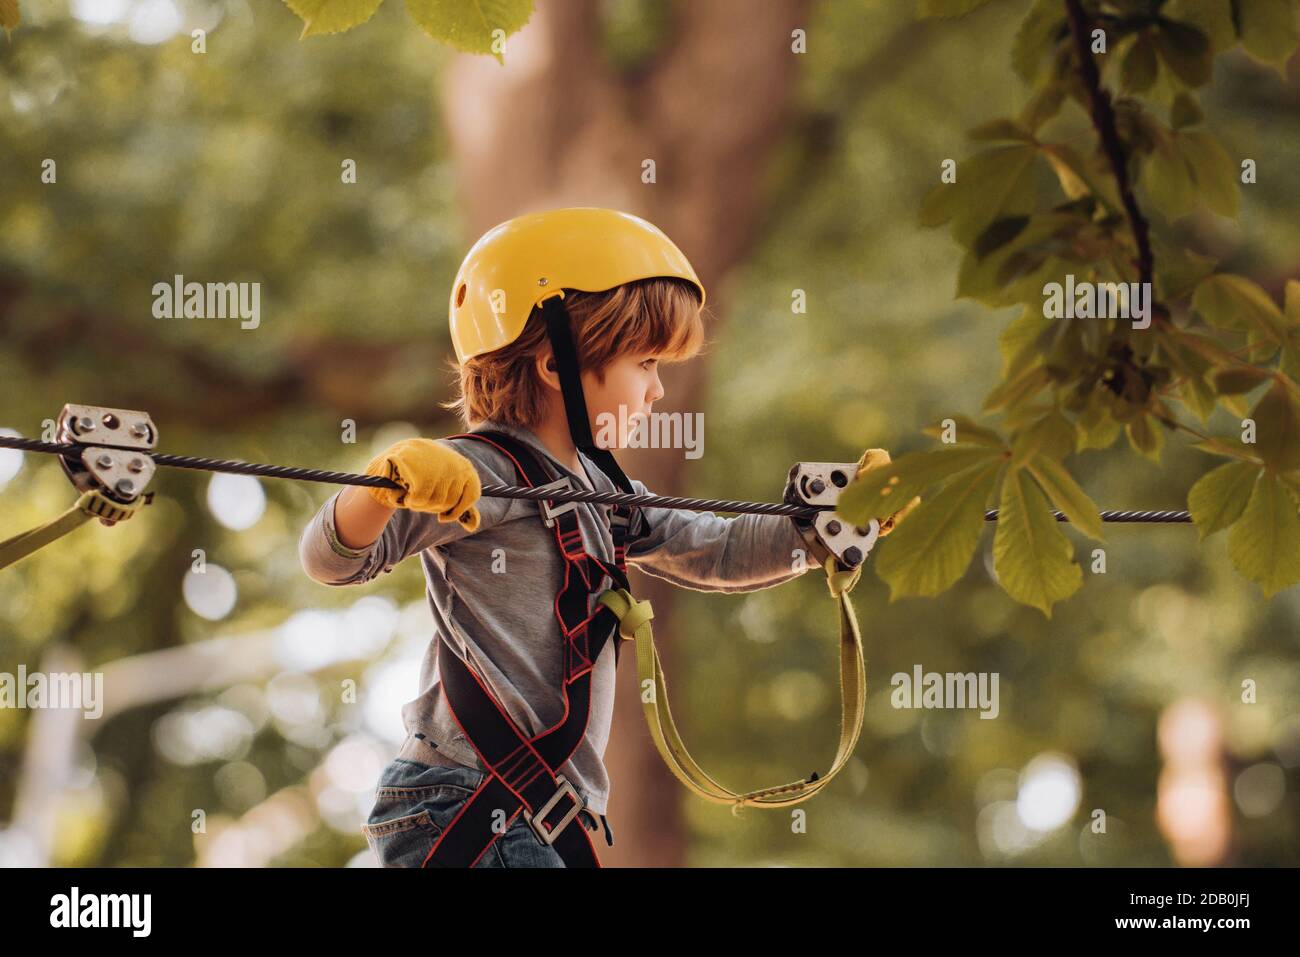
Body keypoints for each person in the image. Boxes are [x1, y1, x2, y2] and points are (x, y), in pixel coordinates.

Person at [298, 207, 916, 867]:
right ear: (556, 364)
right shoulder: (475, 474)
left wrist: (835, 518)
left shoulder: (607, 495)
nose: (657, 390)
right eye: (645, 362)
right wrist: (384, 486)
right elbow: (329, 558)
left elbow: (719, 551)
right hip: (466, 798)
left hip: (535, 813)